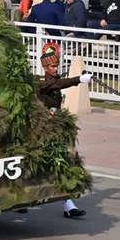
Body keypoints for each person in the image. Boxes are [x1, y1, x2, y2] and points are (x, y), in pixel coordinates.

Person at [34, 43, 92, 218]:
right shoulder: (42, 81)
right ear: (45, 67)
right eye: (52, 66)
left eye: (56, 65)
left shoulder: (53, 81)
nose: (55, 68)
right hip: (40, 130)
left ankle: (69, 205)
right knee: (38, 164)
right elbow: (57, 84)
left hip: (53, 128)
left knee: (59, 162)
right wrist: (78, 80)